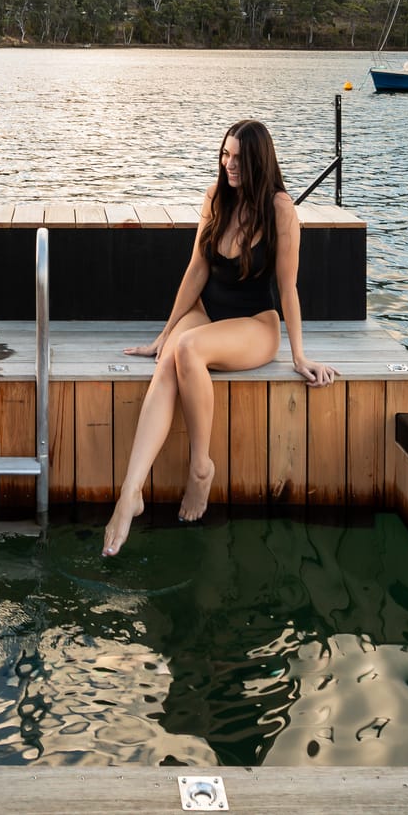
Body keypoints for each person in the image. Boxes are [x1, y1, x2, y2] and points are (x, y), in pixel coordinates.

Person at [101, 120, 338, 557]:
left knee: (189, 349)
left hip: (256, 325)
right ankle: (130, 492)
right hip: (207, 314)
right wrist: (164, 332)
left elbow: (288, 288)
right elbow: (196, 269)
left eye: (238, 159)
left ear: (258, 161)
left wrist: (300, 354)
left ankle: (200, 467)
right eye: (224, 155)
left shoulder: (281, 210)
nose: (229, 166)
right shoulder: (215, 198)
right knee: (172, 354)